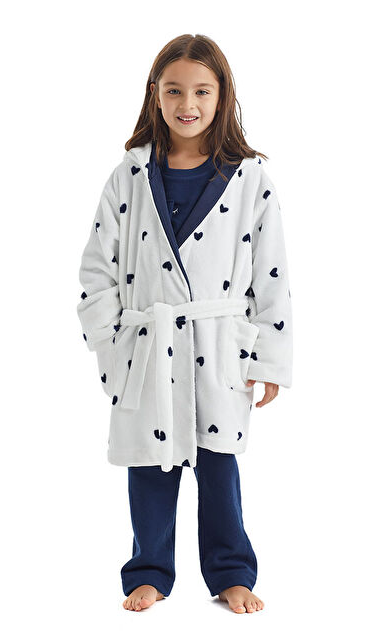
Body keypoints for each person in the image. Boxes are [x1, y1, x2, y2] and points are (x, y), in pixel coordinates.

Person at [76, 33, 293, 614]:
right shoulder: (129, 175)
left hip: (219, 345)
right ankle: (148, 571)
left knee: (219, 467)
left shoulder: (250, 178)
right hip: (147, 346)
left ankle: (231, 572)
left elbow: (271, 275)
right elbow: (97, 266)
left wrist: (269, 358)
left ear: (223, 96)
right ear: (155, 94)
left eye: (202, 90)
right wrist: (111, 344)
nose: (187, 104)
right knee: (150, 466)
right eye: (174, 90)